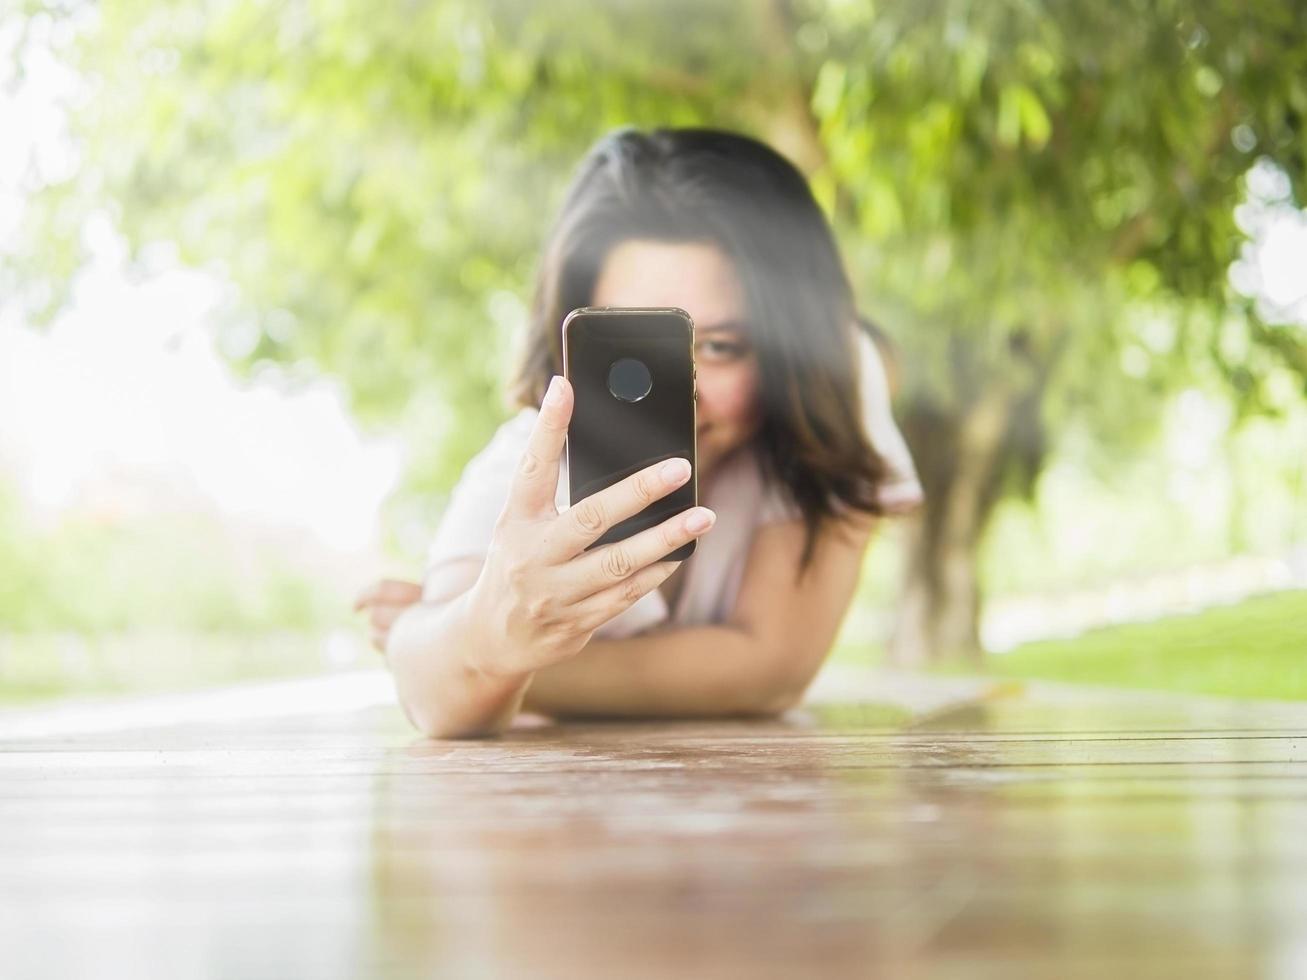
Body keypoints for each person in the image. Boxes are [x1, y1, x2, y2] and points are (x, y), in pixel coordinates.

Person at [354, 127, 923, 738]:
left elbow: (771, 668)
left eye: (723, 346)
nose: (683, 390)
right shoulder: (527, 467)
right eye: (633, 347)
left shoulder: (832, 392)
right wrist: (462, 646)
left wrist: (488, 652)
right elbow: (436, 700)